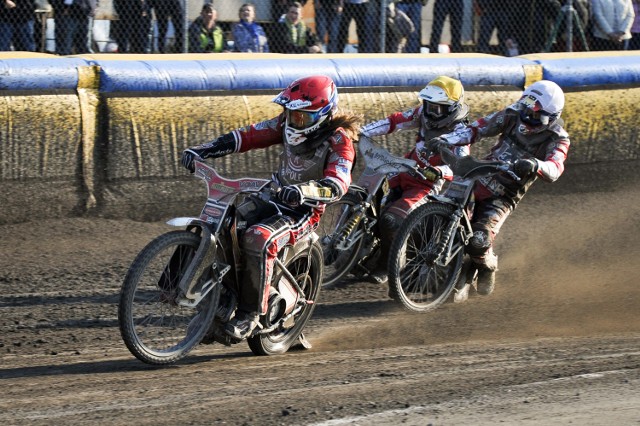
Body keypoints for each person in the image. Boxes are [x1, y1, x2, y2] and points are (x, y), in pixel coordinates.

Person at [181, 75, 361, 339]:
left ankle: (250, 314)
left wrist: (304, 190)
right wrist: (204, 149)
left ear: (323, 114)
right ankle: (219, 298)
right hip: (274, 195)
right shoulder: (284, 124)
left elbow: (339, 182)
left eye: (302, 116)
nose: (294, 121)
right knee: (226, 224)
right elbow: (247, 135)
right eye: (290, 113)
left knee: (258, 238)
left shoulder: (339, 141)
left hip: (304, 211)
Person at [430, 80, 570, 298]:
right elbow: (476, 129)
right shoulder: (511, 114)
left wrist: (536, 164)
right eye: (526, 109)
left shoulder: (558, 138)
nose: (527, 118)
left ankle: (487, 266)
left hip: (503, 195)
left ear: (550, 117)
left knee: (478, 239)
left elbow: (555, 167)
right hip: (478, 175)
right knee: (438, 212)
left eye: (535, 115)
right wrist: (445, 139)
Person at [359, 76, 470, 284]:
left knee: (391, 220)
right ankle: (365, 250)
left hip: (427, 184)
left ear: (452, 108)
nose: (430, 112)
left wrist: (439, 171)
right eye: (428, 105)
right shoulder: (422, 113)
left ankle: (387, 264)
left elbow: (460, 166)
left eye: (437, 108)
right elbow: (394, 121)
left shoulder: (461, 132)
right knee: (375, 203)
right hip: (405, 170)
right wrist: (362, 132)